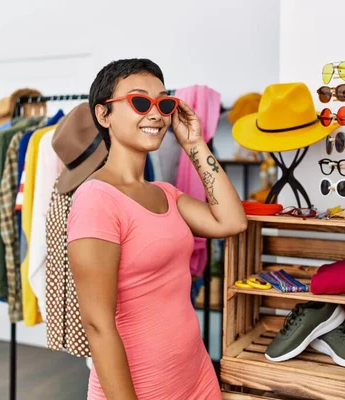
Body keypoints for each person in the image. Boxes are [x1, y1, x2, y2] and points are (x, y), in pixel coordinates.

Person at [66, 58, 247, 400]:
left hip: (196, 377)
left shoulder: (166, 193)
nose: (155, 114)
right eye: (139, 102)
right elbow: (98, 326)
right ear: (104, 115)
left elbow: (232, 221)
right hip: (143, 389)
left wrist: (194, 144)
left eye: (163, 103)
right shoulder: (96, 199)